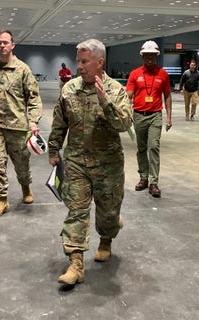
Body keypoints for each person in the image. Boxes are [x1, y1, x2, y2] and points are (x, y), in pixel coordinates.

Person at [48, 38, 132, 285]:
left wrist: (105, 101)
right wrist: (54, 150)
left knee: (107, 213)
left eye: (85, 61)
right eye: (78, 61)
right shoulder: (69, 89)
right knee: (77, 212)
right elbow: (59, 122)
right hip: (76, 162)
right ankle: (75, 265)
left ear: (99, 62)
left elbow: (124, 124)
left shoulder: (115, 90)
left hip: (108, 165)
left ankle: (107, 237)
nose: (80, 66)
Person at [0, 30, 42, 218]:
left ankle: (25, 188)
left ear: (13, 45)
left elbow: (34, 98)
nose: (2, 45)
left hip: (18, 126)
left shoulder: (23, 69)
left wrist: (33, 121)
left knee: (21, 163)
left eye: (6, 42)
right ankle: (2, 200)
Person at [126, 40, 172, 198]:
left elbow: (167, 96)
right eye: (147, 55)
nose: (150, 58)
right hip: (138, 115)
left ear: (156, 56)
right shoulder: (134, 74)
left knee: (153, 147)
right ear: (142, 56)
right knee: (141, 149)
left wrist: (169, 118)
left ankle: (153, 182)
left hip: (155, 116)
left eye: (152, 55)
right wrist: (124, 112)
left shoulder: (163, 74)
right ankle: (143, 178)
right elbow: (129, 96)